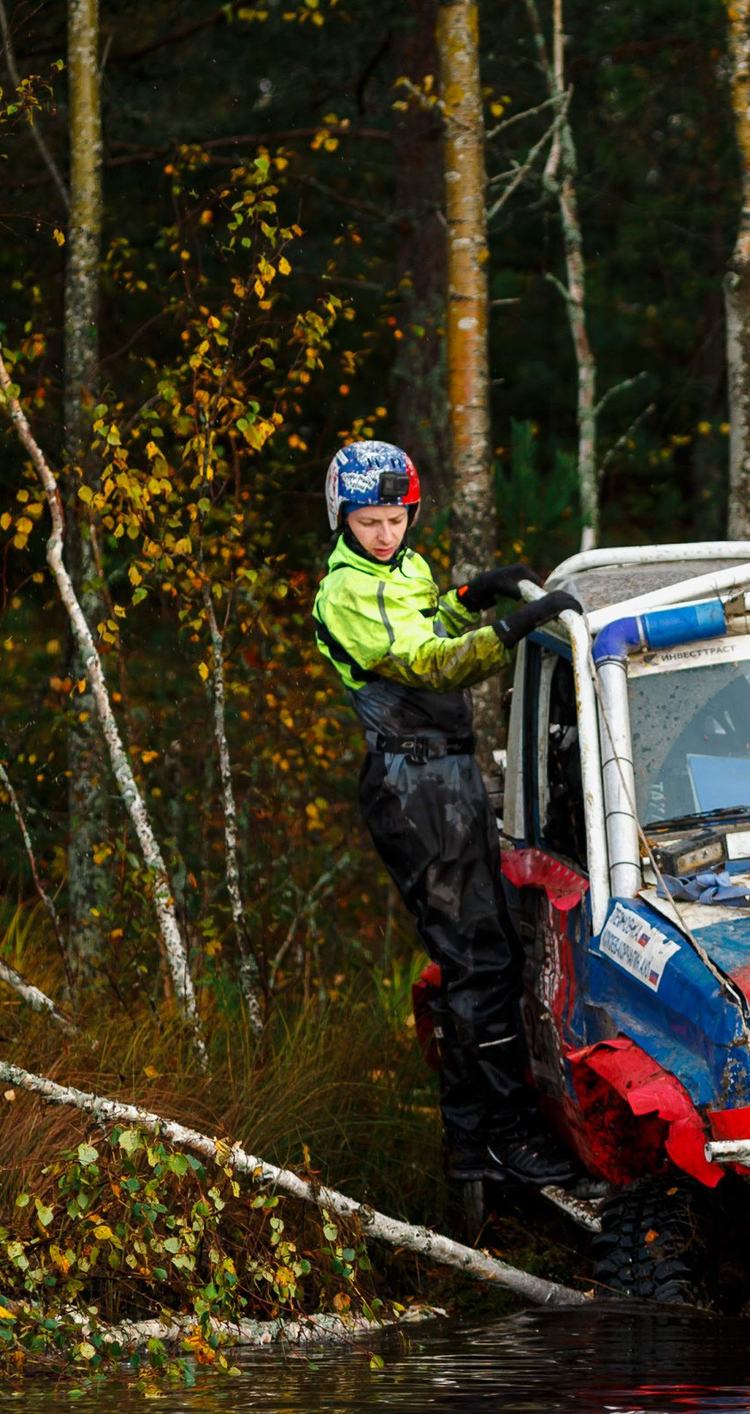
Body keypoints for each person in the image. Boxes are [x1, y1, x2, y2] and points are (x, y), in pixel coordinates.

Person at [312, 441, 583, 1185]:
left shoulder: (404, 568)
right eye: (368, 521)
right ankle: (497, 1139)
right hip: (413, 784)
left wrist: (474, 595)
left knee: (494, 951)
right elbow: (430, 663)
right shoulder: (347, 592)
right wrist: (516, 628)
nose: (384, 534)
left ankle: (480, 1140)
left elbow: (429, 619)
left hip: (449, 773)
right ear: (341, 517)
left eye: (395, 519)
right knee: (478, 961)